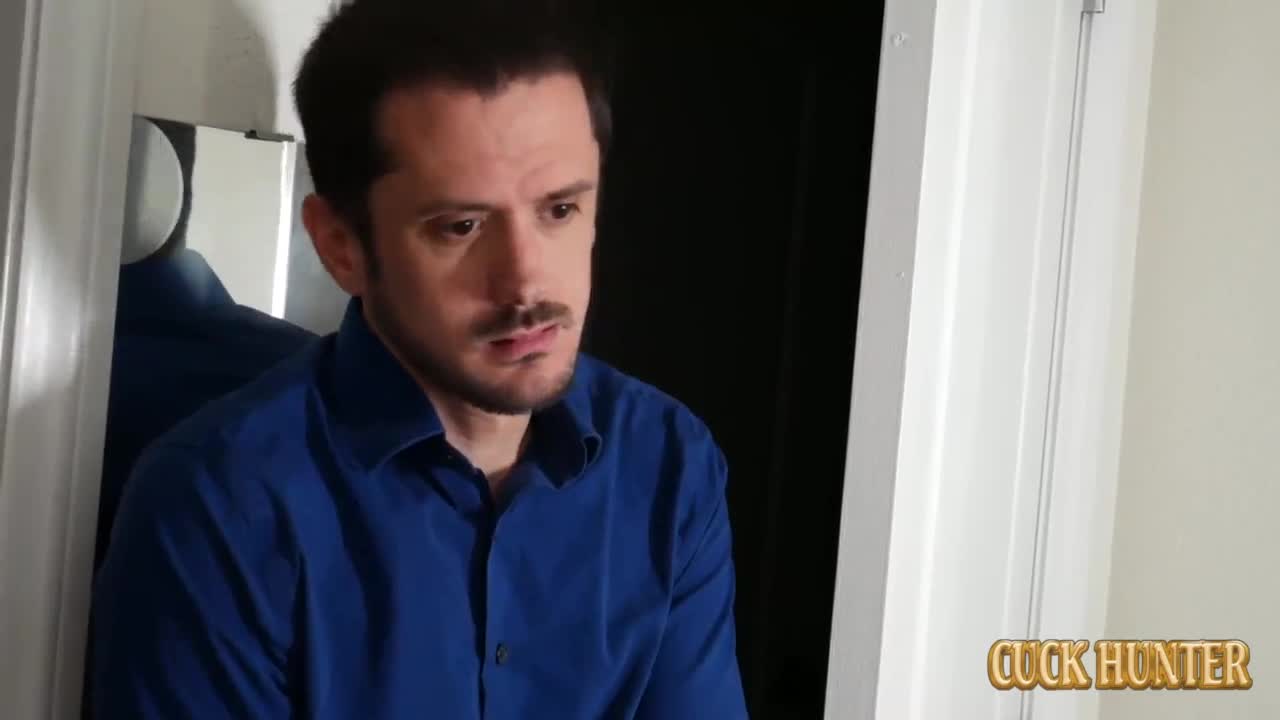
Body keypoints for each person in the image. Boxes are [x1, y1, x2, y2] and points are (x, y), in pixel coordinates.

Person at [91, 1, 748, 718]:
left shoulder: (668, 464)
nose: (526, 281)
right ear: (341, 246)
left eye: (559, 210)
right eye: (461, 226)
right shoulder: (220, 504)